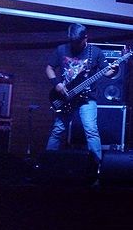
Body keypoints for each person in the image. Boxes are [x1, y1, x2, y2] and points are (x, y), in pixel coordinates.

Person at [45, 23, 118, 163]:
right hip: (66, 97)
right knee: (58, 130)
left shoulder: (95, 52)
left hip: (87, 98)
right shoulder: (61, 50)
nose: (75, 45)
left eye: (78, 42)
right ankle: (48, 163)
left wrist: (114, 70)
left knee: (91, 131)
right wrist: (57, 84)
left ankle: (96, 167)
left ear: (86, 38)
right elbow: (49, 68)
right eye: (72, 42)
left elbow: (107, 72)